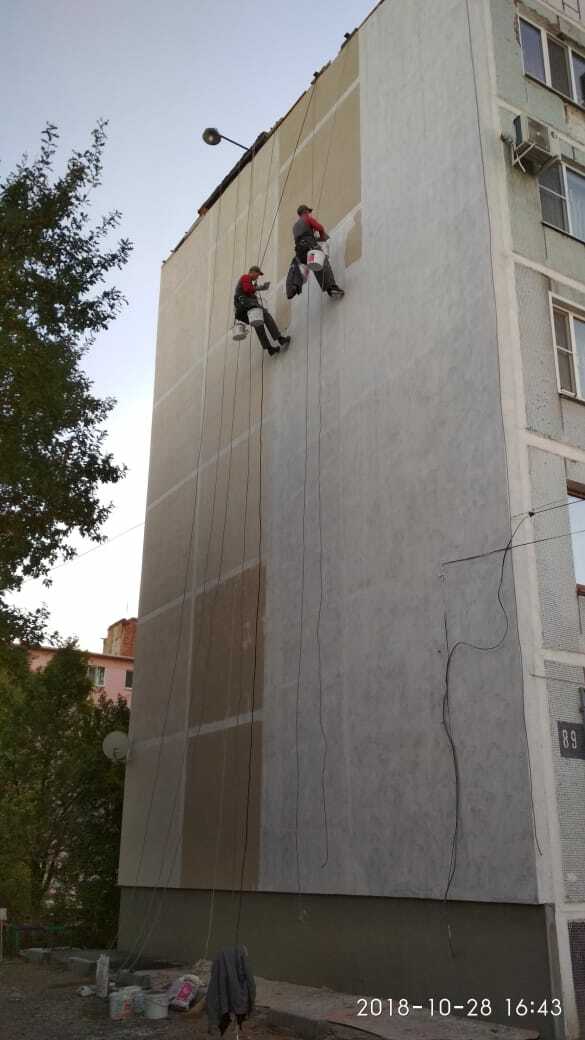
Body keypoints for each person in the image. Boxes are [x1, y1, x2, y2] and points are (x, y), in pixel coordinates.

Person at [234, 266, 291, 356]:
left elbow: (248, 290)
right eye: (257, 274)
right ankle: (280, 339)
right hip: (248, 305)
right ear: (252, 272)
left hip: (244, 310)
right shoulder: (246, 277)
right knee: (267, 316)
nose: (258, 277)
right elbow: (247, 289)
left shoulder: (246, 282)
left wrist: (255, 288)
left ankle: (269, 348)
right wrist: (261, 287)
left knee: (258, 324)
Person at [292, 205, 344, 298]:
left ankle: (328, 289)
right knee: (323, 262)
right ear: (305, 211)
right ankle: (332, 287)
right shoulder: (307, 218)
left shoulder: (295, 226)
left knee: (316, 266)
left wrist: (313, 237)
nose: (309, 213)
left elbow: (301, 237)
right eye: (308, 211)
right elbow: (320, 227)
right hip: (310, 246)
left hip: (302, 253)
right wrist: (322, 237)